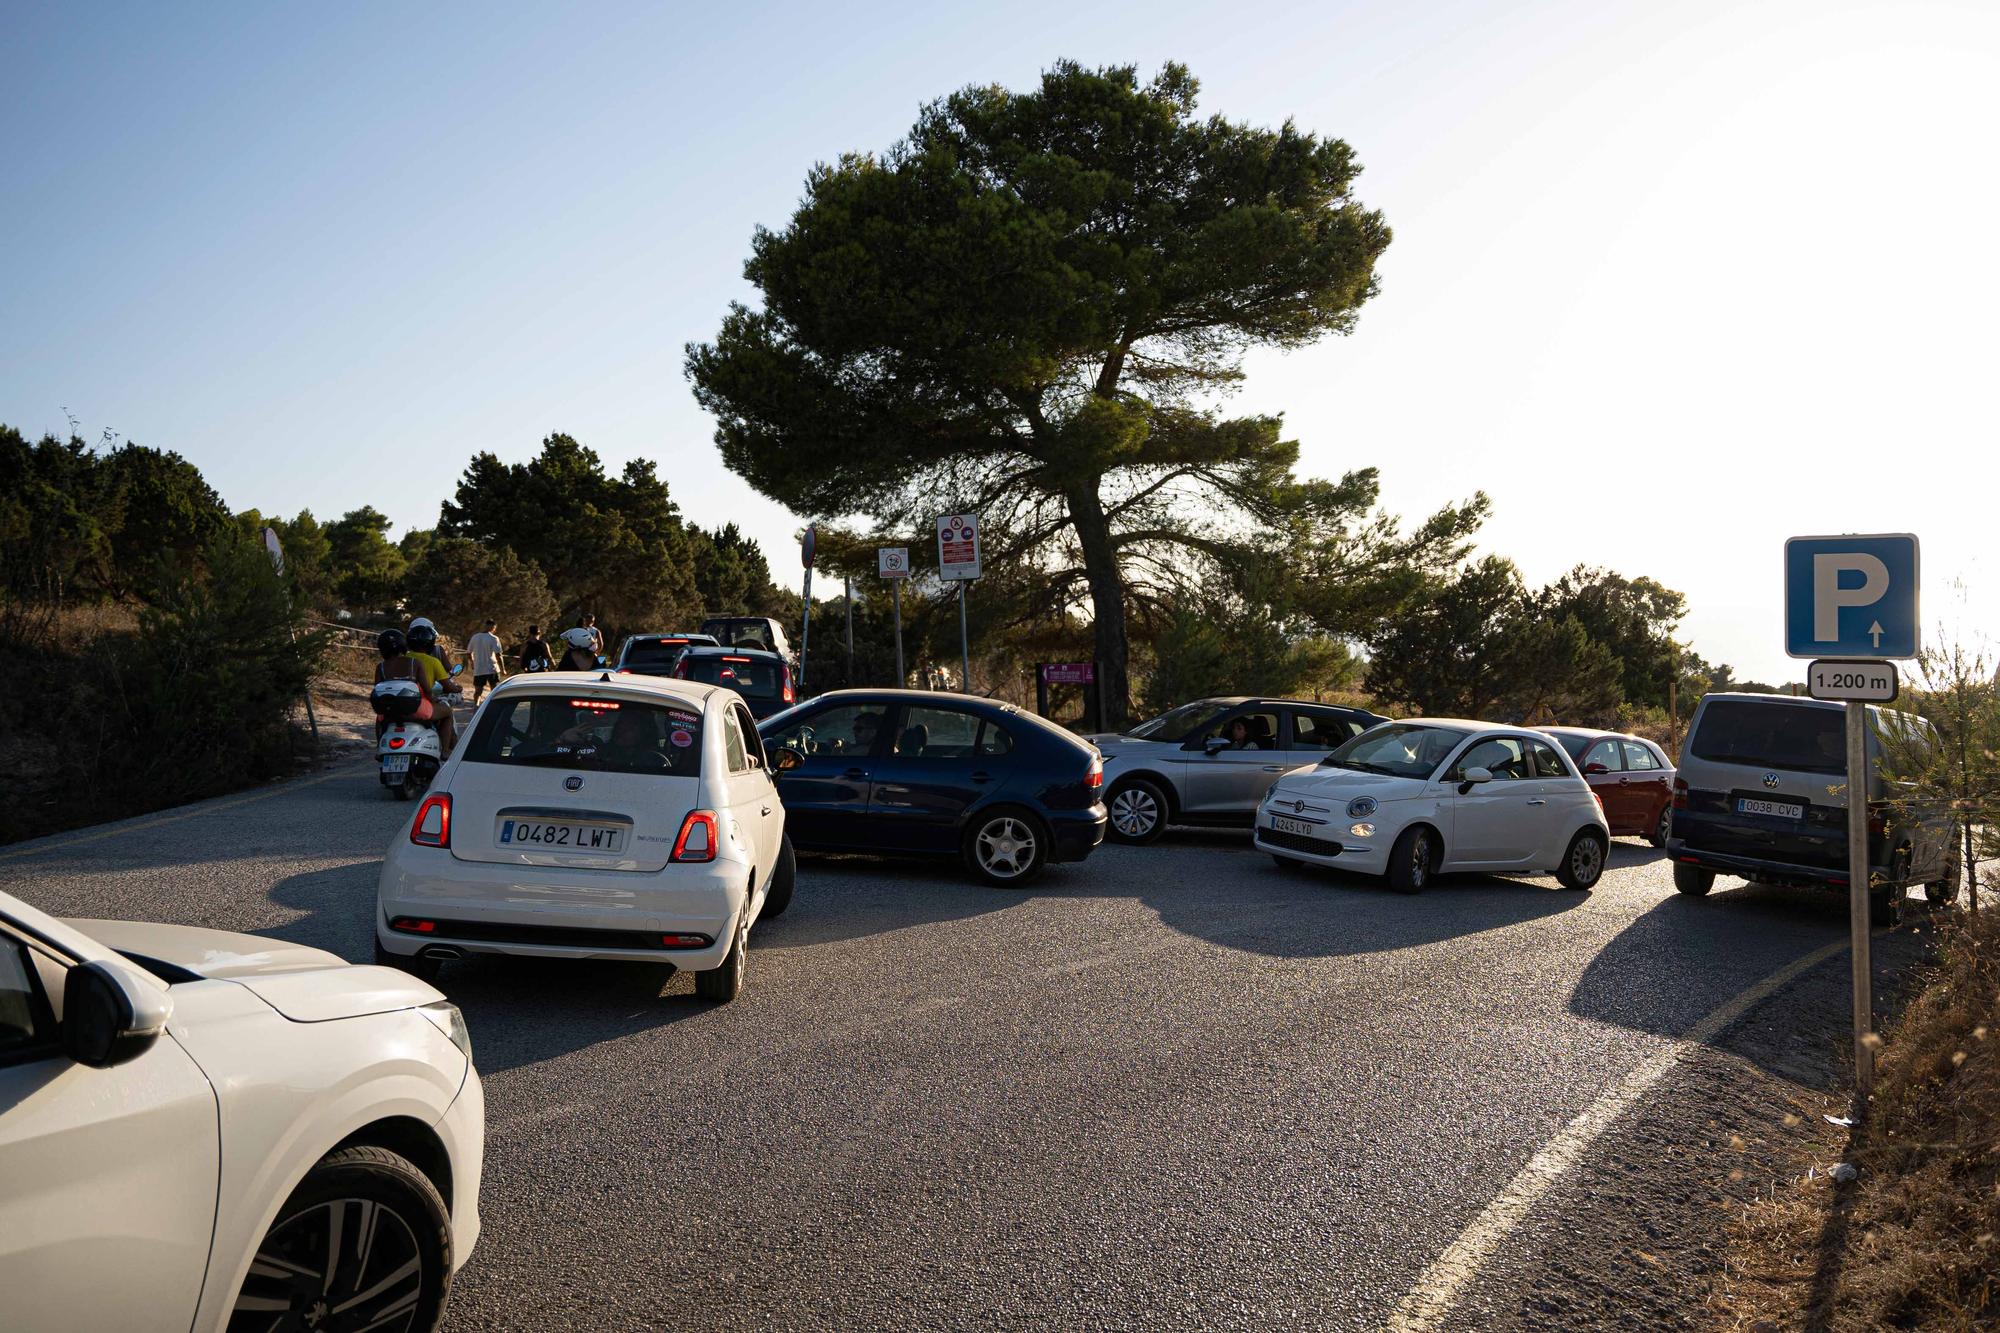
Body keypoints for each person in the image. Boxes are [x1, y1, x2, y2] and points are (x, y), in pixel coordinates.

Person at [373, 628, 456, 753]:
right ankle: (444, 750)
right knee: (448, 712)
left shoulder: (381, 667)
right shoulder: (413, 663)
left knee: (379, 718)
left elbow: (378, 690)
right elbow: (427, 690)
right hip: (416, 708)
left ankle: (379, 746)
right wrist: (433, 700)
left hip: (390, 712)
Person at [403, 618, 462, 752]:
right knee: (447, 712)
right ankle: (446, 750)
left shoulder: (403, 658)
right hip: (422, 702)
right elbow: (446, 677)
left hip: (401, 701)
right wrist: (457, 688)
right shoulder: (433, 658)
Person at [466, 619, 504, 703]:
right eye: (494, 628)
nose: (494, 630)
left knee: (478, 691)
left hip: (479, 669)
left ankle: (476, 707)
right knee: (494, 691)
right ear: (493, 627)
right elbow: (498, 655)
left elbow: (468, 652)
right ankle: (494, 705)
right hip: (492, 668)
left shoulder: (475, 637)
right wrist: (503, 669)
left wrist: (472, 662)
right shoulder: (494, 638)